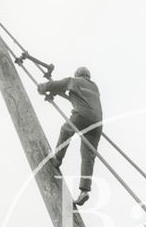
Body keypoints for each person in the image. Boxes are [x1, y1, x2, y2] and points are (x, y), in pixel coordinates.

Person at [38, 67, 103, 206]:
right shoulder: (95, 88)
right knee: (88, 156)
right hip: (97, 123)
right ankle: (84, 191)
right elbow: (77, 98)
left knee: (66, 130)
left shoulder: (74, 81)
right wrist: (56, 93)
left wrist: (43, 88)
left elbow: (56, 84)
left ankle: (58, 158)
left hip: (82, 115)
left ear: (78, 74)